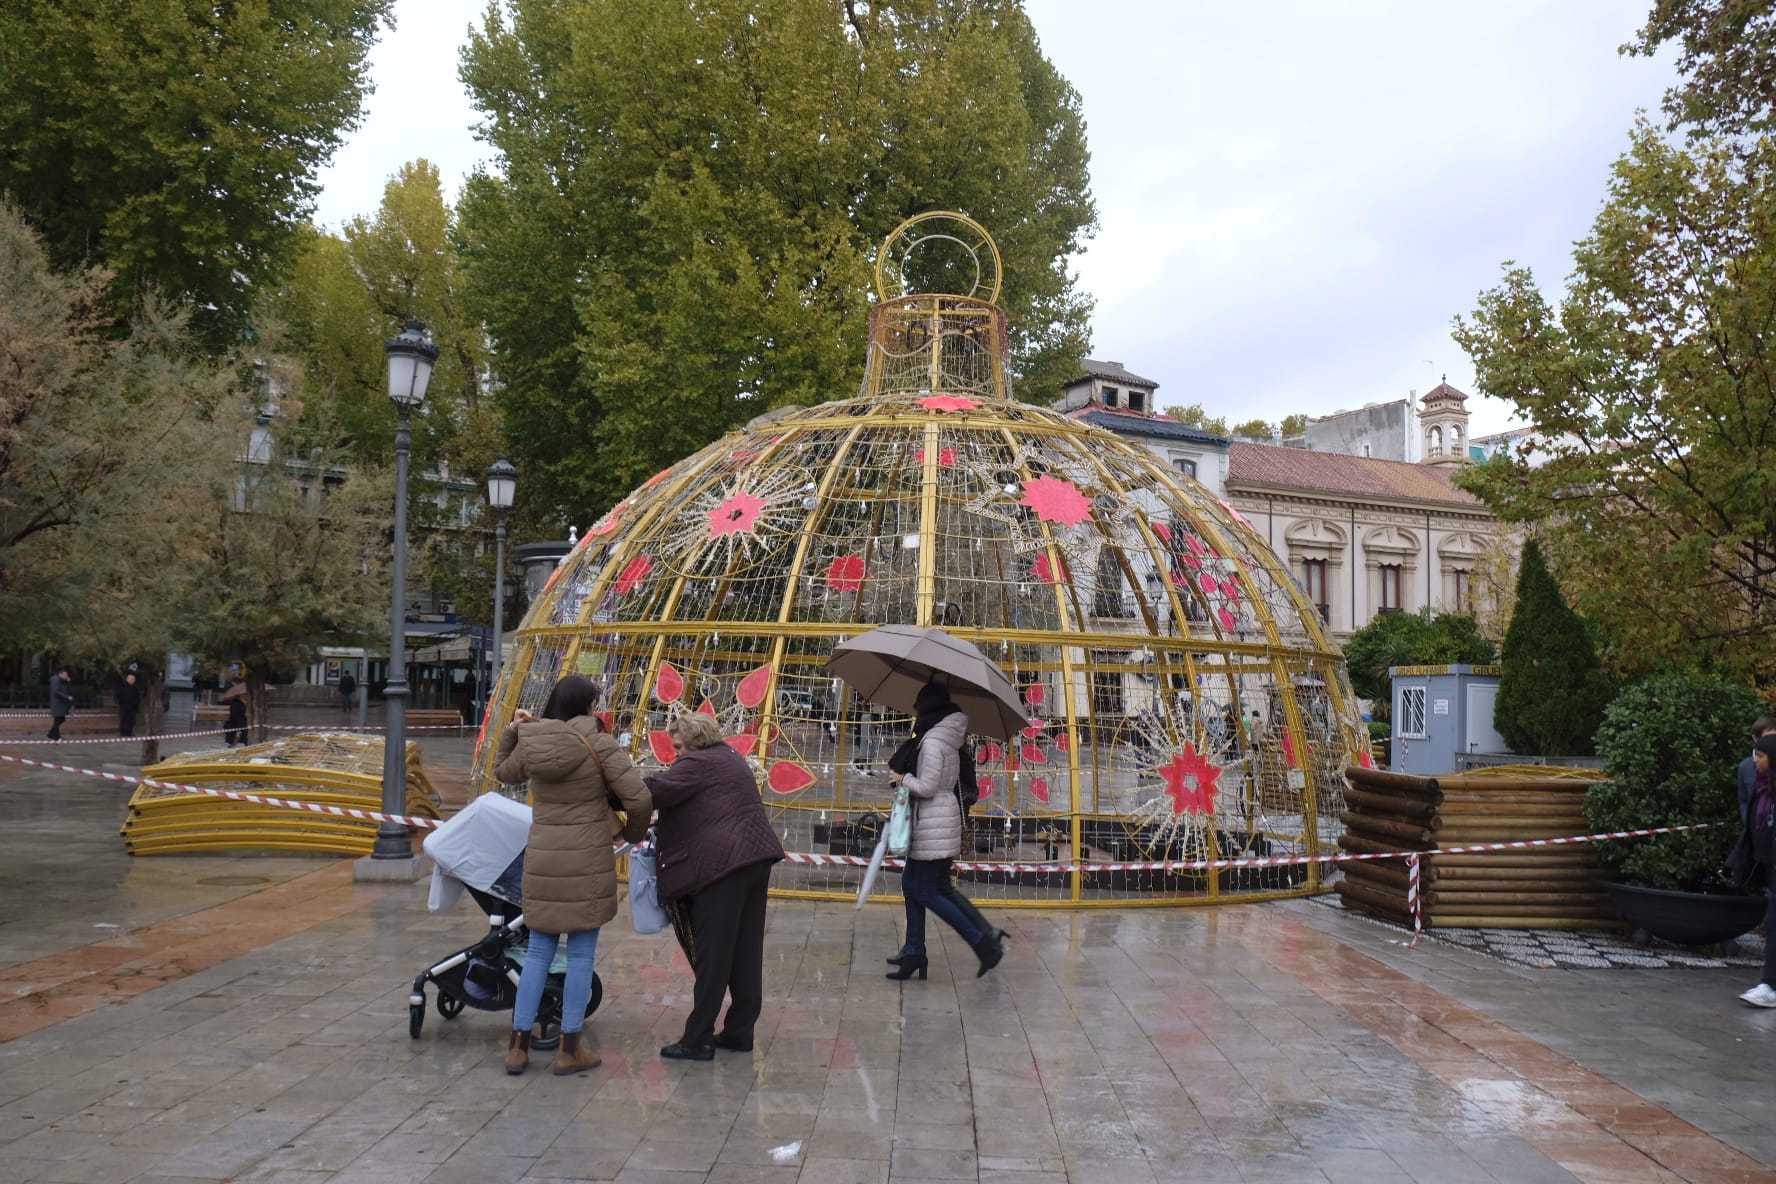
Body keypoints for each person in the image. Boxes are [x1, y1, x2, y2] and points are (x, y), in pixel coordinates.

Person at [493, 674, 651, 1074]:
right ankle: (569, 1049)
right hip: (587, 862)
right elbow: (639, 797)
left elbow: (501, 772)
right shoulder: (600, 742)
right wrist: (630, 836)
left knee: (538, 954)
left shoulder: (533, 743)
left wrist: (513, 731)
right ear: (586, 706)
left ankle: (517, 1047)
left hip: (544, 860)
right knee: (580, 955)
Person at [644, 711, 784, 1061]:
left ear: (693, 742)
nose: (675, 755)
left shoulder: (696, 763)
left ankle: (698, 1038)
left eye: (678, 747)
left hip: (723, 867)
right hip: (755, 859)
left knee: (714, 954)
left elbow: (654, 791)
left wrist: (612, 782)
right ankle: (739, 1032)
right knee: (745, 951)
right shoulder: (731, 758)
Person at [884, 683, 1005, 982]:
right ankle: (914, 950)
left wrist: (903, 778)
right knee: (913, 883)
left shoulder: (935, 742)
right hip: (935, 822)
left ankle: (983, 944)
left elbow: (928, 786)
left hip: (934, 823)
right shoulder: (942, 738)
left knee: (926, 890)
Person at [1736, 733, 1776, 1009]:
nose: (1755, 761)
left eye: (1760, 756)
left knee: (1773, 922)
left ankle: (1770, 984)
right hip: (1768, 863)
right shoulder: (1763, 788)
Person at [220, 672, 249, 747]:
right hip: (235, 726)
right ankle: (233, 744)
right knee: (240, 733)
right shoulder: (235, 703)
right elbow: (238, 718)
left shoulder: (244, 701)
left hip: (239, 726)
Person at [47, 666, 73, 740]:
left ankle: (54, 736)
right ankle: (53, 735)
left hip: (61, 703)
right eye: (65, 674)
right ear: (60, 674)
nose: (66, 676)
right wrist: (67, 697)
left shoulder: (61, 680)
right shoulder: (55, 680)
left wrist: (68, 682)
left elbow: (67, 689)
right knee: (60, 719)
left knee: (58, 720)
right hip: (57, 703)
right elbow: (56, 691)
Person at [117, 672, 142, 737]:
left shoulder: (135, 688)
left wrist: (137, 704)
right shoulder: (122, 686)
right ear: (127, 679)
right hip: (124, 706)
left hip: (133, 707)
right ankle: (123, 732)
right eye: (131, 679)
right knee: (124, 719)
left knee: (132, 720)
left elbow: (138, 696)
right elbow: (118, 696)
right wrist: (123, 702)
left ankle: (129, 732)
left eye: (133, 679)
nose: (132, 680)